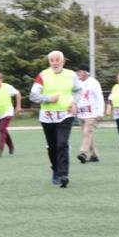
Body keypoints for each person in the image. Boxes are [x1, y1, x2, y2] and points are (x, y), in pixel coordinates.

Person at [30, 51, 79, 187]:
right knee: (52, 146)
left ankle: (64, 175)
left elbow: (78, 90)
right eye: (52, 60)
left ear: (63, 61)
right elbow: (33, 95)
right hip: (47, 117)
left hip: (65, 115)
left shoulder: (71, 75)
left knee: (62, 144)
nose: (55, 62)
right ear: (49, 62)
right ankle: (55, 170)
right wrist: (48, 98)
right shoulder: (42, 75)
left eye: (57, 60)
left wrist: (75, 102)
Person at [74, 64, 104, 163]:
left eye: (80, 71)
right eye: (77, 72)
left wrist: (100, 112)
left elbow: (99, 97)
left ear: (86, 72)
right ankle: (95, 156)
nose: (78, 73)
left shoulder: (93, 83)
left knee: (87, 132)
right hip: (81, 113)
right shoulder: (77, 83)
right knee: (87, 134)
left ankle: (83, 153)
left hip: (92, 114)